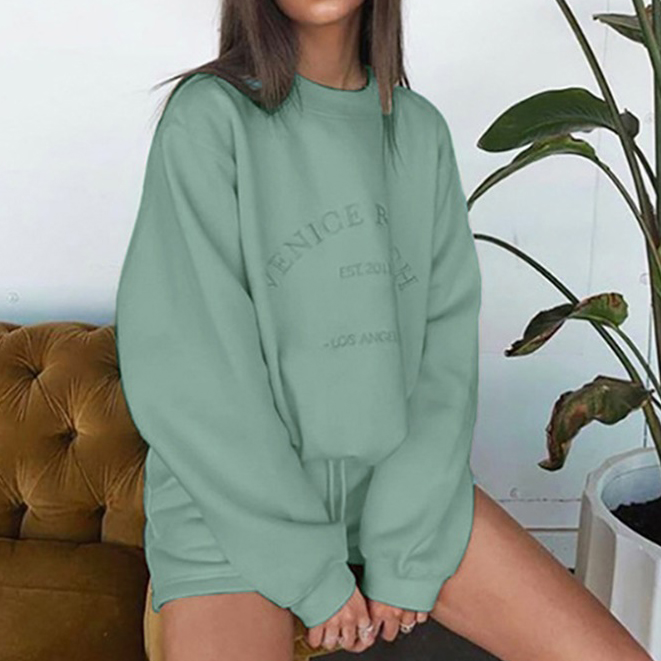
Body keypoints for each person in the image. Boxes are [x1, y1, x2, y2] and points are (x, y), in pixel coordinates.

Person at [113, 1, 654, 659]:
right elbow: (194, 378)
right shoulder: (209, 117)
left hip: (403, 493)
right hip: (234, 514)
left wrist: (403, 549)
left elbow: (442, 367)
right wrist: (311, 575)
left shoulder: (418, 132)